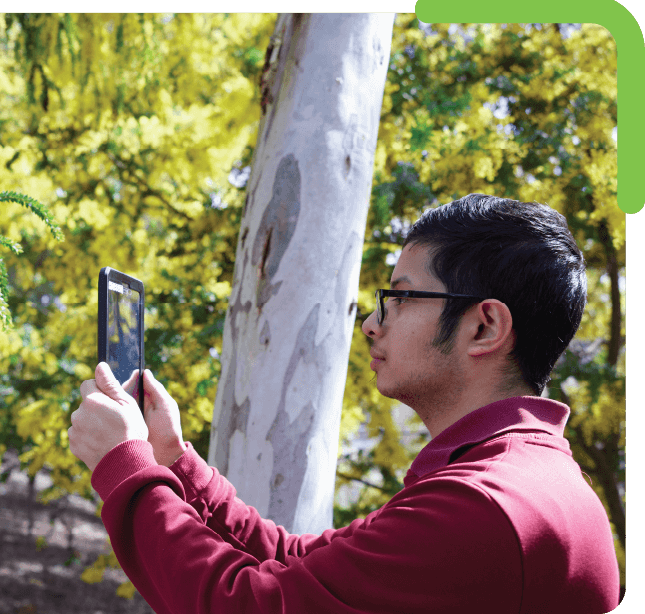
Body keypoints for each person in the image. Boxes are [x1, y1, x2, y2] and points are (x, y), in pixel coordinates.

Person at [68, 194, 621, 613]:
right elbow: (303, 563)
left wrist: (124, 470)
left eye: (400, 298)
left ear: (484, 326)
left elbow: (247, 604)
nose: (371, 324)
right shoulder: (518, 478)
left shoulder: (484, 506)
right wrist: (175, 463)